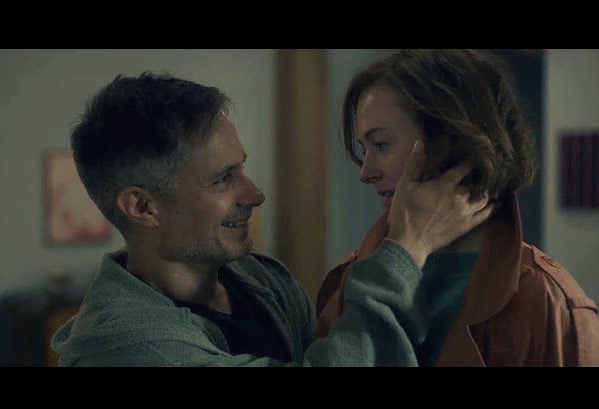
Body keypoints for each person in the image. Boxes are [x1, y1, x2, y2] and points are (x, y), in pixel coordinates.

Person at [51, 71, 494, 367]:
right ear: (142, 207)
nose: (255, 195)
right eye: (223, 179)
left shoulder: (261, 279)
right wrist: (408, 247)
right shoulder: (126, 348)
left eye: (241, 168)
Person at [316, 49, 599, 366]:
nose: (365, 173)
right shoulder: (346, 284)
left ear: (452, 140)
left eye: (381, 144)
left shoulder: (551, 303)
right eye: (364, 149)